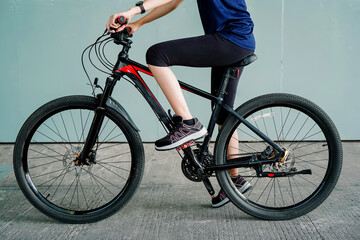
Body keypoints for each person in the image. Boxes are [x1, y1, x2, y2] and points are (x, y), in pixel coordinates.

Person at [106, 0, 255, 207]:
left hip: (230, 39)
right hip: (236, 41)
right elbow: (173, 3)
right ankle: (234, 180)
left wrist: (132, 11)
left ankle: (188, 123)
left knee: (157, 54)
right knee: (223, 115)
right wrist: (138, 24)